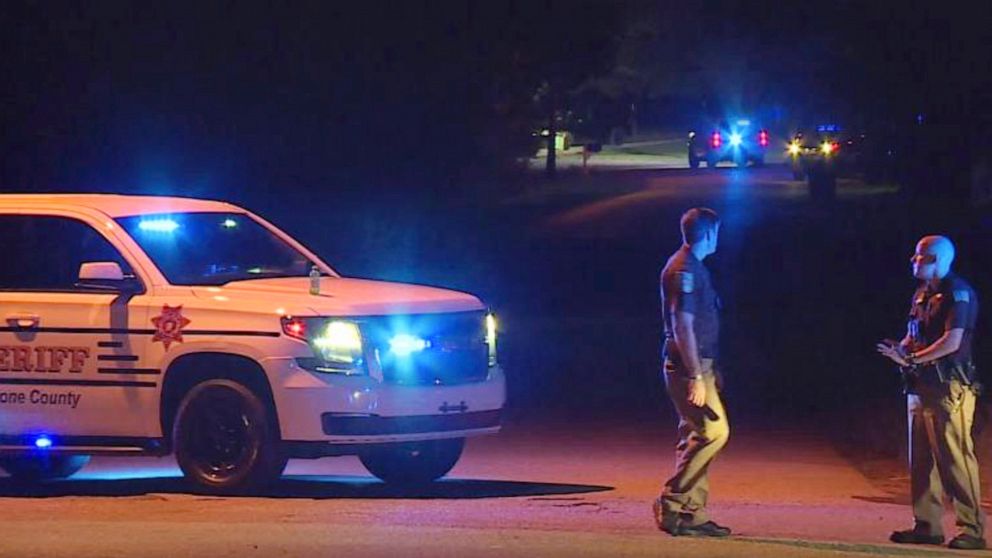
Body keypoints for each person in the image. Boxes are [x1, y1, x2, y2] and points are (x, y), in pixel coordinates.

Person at [877, 235, 985, 550]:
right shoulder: (924, 294)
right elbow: (915, 335)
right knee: (922, 459)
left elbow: (952, 342)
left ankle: (972, 529)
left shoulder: (957, 293)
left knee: (955, 458)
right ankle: (927, 525)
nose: (914, 260)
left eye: (920, 256)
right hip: (921, 384)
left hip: (948, 386)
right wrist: (901, 350)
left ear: (938, 260)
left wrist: (910, 358)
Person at [653, 207, 731, 537]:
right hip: (688, 367)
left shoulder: (693, 267)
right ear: (710, 234)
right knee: (715, 432)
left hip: (701, 364)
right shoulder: (684, 269)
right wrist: (697, 375)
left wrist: (712, 368)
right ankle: (671, 500)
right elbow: (681, 324)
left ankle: (692, 514)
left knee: (694, 436)